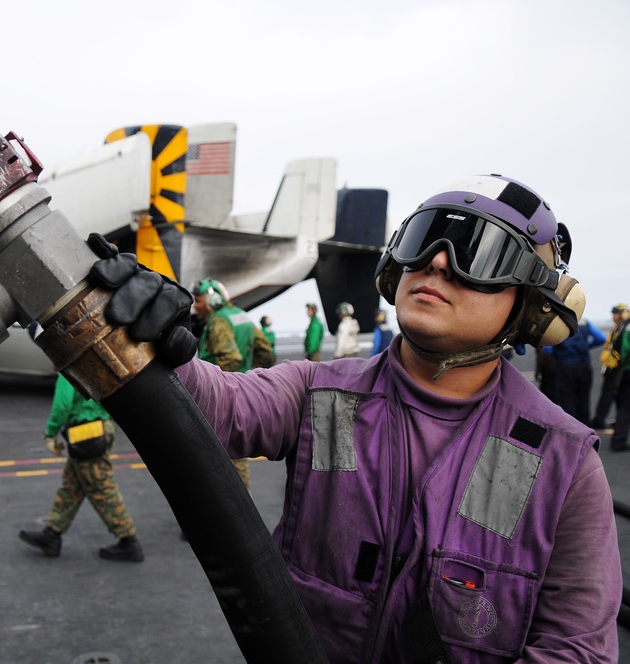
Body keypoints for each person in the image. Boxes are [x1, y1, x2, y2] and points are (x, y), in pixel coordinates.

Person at [87, 174, 620, 661]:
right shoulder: (320, 393)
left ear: (531, 306)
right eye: (423, 241)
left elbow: (578, 649)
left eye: (476, 256)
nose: (435, 263)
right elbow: (217, 407)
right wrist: (144, 341)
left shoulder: (561, 460)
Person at [19, 374, 143, 562]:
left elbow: (62, 405)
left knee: (101, 487)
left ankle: (129, 541)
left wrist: (50, 433)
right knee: (72, 486)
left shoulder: (67, 370)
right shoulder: (90, 362)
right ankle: (52, 535)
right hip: (102, 426)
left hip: (86, 431)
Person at [192, 278, 274, 489]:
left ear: (212, 299)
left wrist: (213, 388)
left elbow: (231, 359)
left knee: (228, 466)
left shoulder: (219, 321)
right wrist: (248, 377)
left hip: (221, 402)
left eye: (198, 300)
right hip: (242, 400)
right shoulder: (241, 315)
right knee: (237, 457)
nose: (196, 306)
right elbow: (266, 352)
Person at [543, 318, 606, 424]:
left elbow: (547, 349)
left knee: (567, 399)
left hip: (564, 366)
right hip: (584, 365)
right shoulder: (585, 322)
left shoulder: (558, 322)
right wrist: (587, 346)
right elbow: (601, 338)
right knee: (584, 398)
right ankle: (585, 427)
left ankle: (571, 427)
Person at [590, 303, 630, 431]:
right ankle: (613, 421)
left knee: (612, 395)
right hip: (614, 367)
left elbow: (623, 350)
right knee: (619, 397)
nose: (613, 316)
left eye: (615, 313)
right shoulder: (619, 327)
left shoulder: (623, 328)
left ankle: (601, 419)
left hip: (617, 368)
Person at [607, 308, 630, 452]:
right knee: (626, 408)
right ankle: (619, 440)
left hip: (621, 372)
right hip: (627, 371)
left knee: (623, 404)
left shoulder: (623, 327)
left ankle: (618, 437)